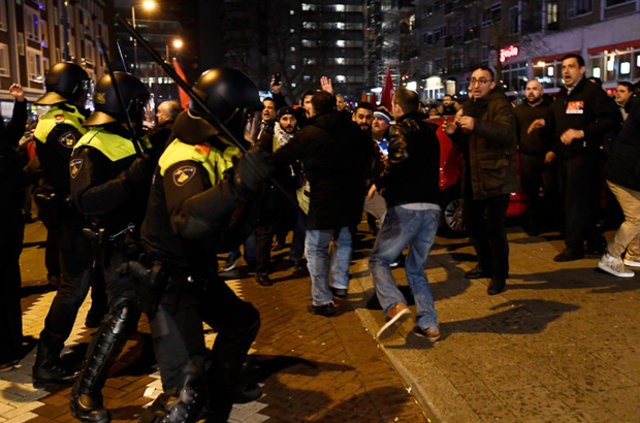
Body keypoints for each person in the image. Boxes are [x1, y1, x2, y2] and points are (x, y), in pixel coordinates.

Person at [140, 67, 272, 422]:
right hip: (170, 277)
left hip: (196, 270)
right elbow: (189, 223)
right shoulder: (185, 154)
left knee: (242, 321)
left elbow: (226, 230)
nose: (252, 122)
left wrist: (255, 192)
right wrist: (239, 186)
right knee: (184, 394)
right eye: (247, 115)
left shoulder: (220, 147)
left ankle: (222, 384)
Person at [68, 71, 156, 422]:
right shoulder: (91, 144)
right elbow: (85, 201)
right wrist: (129, 178)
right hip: (119, 244)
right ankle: (85, 393)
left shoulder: (133, 136)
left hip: (149, 239)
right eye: (140, 105)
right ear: (130, 105)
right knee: (123, 313)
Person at [31, 62, 106, 389]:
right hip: (70, 216)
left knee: (82, 280)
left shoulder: (61, 119)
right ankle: (46, 360)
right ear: (77, 90)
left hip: (70, 213)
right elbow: (79, 164)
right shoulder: (62, 125)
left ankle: (97, 322)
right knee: (73, 287)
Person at [274, 90, 370, 315]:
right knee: (344, 240)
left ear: (312, 109)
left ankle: (322, 300)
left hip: (324, 199)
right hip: (351, 197)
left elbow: (283, 156)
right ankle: (339, 284)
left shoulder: (309, 133)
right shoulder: (352, 129)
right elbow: (368, 154)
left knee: (315, 248)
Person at [369, 88, 442, 341]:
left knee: (379, 260)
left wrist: (381, 180)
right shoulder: (431, 133)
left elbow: (399, 160)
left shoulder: (399, 129)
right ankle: (429, 323)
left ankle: (394, 305)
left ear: (398, 108)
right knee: (415, 268)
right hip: (432, 207)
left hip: (407, 206)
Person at [444, 66, 519, 295]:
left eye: (482, 81)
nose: (476, 85)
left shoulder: (500, 105)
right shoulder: (469, 106)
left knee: (495, 229)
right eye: (474, 80)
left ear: (492, 85)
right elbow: (466, 145)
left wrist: (477, 125)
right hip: (473, 175)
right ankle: (485, 264)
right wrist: (454, 132)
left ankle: (499, 275)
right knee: (473, 223)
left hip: (497, 175)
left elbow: (506, 134)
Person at [543, 54, 619, 262]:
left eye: (571, 67)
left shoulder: (591, 92)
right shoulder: (562, 94)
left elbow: (612, 118)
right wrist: (543, 123)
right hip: (565, 157)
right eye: (564, 67)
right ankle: (595, 242)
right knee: (574, 202)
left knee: (575, 203)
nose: (566, 71)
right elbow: (556, 120)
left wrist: (581, 133)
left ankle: (574, 246)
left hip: (584, 156)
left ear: (582, 70)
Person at [0, 83, 28, 372]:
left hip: (9, 230)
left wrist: (19, 102)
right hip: (4, 230)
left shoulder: (4, 146)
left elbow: (15, 129)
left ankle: (13, 342)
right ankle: (6, 350)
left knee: (9, 286)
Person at [597, 93, 640, 277]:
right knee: (636, 218)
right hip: (625, 174)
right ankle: (611, 256)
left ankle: (634, 255)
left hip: (628, 172)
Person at [514, 80, 557, 235]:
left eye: (534, 89)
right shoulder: (518, 110)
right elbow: (514, 131)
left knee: (550, 189)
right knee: (530, 193)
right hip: (527, 157)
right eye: (528, 89)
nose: (531, 92)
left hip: (547, 157)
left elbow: (556, 131)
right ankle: (533, 226)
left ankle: (551, 222)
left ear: (542, 91)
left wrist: (553, 150)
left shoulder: (550, 109)